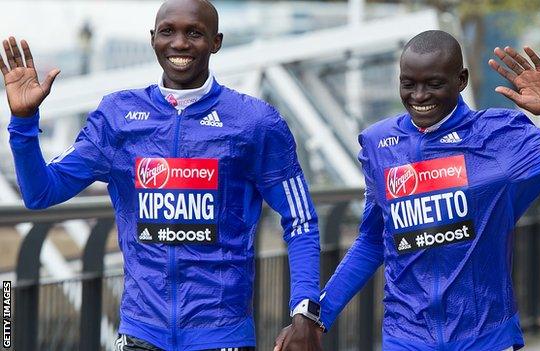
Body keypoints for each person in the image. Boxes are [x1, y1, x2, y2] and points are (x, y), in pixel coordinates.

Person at [1, 0, 324, 350]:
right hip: (140, 333)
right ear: (153, 38)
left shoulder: (255, 122)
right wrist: (23, 121)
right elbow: (40, 193)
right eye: (168, 31)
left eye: (194, 33)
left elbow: (301, 220)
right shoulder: (117, 116)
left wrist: (305, 311)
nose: (180, 43)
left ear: (216, 42)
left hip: (221, 337)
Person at [275, 30, 540, 351]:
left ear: (462, 80)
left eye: (434, 84)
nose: (419, 97)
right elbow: (371, 242)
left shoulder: (504, 135)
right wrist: (317, 317)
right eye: (408, 84)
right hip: (405, 337)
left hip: (486, 337)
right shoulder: (379, 143)